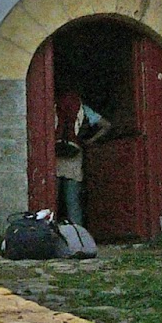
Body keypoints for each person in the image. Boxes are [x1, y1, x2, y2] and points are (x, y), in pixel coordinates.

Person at [54, 89, 110, 227]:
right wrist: (90, 141)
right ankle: (78, 234)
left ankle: (48, 233)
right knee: (72, 201)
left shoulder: (53, 106)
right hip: (74, 155)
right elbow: (106, 125)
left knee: (51, 201)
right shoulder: (83, 109)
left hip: (54, 156)